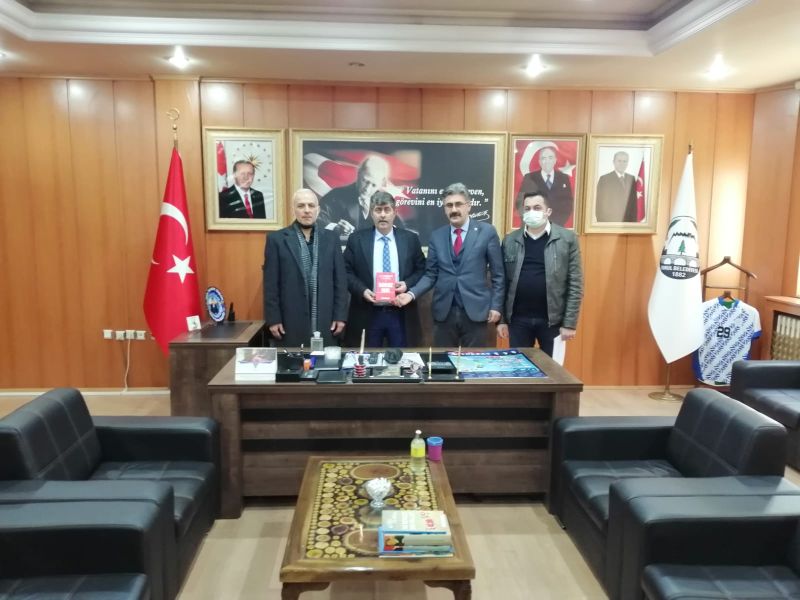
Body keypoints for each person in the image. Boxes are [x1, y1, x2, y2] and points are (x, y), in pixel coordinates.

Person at [396, 183, 504, 347]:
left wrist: (496, 306)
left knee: (473, 361)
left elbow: (498, 275)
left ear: (469, 206)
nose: (454, 209)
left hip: (476, 311)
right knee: (443, 360)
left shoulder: (487, 232)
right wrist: (411, 294)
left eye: (458, 204)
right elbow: (430, 275)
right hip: (444, 313)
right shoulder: (437, 236)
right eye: (449, 205)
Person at [498, 190, 583, 356]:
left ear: (548, 211)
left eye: (537, 208)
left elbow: (575, 283)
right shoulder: (510, 240)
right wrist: (502, 321)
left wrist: (569, 323)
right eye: (527, 208)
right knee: (519, 368)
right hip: (518, 320)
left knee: (552, 369)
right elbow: (502, 283)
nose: (531, 212)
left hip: (553, 321)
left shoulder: (567, 239)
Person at [263, 189, 347, 346]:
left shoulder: (331, 238)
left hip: (326, 320)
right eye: (301, 206)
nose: (307, 210)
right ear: (293, 209)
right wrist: (273, 319)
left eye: (311, 205)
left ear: (318, 210)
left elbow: (340, 281)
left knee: (324, 361)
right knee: (294, 361)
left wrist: (340, 316)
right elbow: (271, 285)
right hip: (290, 321)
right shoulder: (276, 240)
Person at [343, 191, 426, 347]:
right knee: (368, 359)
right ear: (371, 213)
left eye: (387, 209)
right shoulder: (356, 239)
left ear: (394, 212)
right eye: (378, 210)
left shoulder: (410, 239)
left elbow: (422, 270)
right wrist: (362, 290)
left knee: (402, 358)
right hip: (367, 312)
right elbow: (345, 271)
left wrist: (407, 284)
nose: (382, 215)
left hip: (401, 312)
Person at [318, 155, 390, 242]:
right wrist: (335, 227)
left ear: (381, 184)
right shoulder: (336, 195)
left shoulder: (384, 202)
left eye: (374, 185)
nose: (367, 189)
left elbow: (398, 228)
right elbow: (318, 220)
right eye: (365, 181)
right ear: (358, 173)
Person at [516, 147, 574, 226]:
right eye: (543, 158)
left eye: (550, 157)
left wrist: (556, 224)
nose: (547, 161)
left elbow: (568, 204)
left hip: (557, 225)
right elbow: (520, 202)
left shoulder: (563, 178)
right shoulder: (530, 177)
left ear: (555, 160)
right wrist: (531, 221)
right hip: (534, 225)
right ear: (539, 161)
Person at [595, 150, 637, 223]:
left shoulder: (632, 178)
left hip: (628, 223)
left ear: (628, 163)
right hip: (609, 222)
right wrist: (602, 224)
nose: (622, 164)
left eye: (625, 161)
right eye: (619, 161)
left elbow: (634, 203)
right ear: (614, 162)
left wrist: (633, 223)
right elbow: (599, 204)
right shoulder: (605, 179)